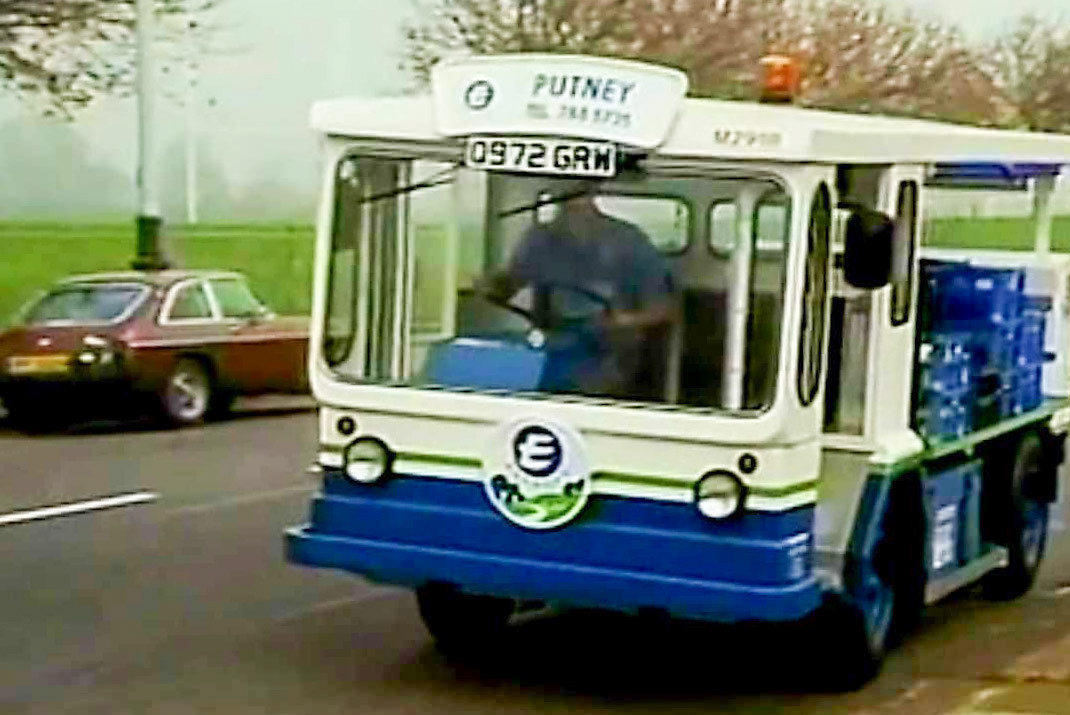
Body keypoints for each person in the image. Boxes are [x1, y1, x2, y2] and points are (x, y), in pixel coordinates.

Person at [480, 182, 675, 398]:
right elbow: (507, 286)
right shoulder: (539, 239)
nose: (573, 205)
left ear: (592, 195)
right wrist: (490, 286)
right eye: (564, 198)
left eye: (578, 197)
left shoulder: (629, 240)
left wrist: (621, 322)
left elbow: (662, 308)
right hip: (549, 343)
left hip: (607, 349)